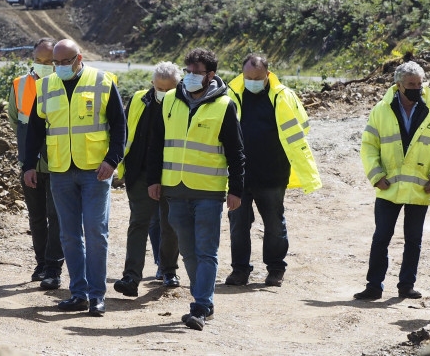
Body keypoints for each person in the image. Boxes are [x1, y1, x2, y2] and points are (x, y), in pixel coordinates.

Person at [23, 39, 125, 316]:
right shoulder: (45, 86)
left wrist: (112, 161)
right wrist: (29, 165)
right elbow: (35, 130)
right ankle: (78, 293)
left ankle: (96, 295)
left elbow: (119, 126)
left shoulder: (103, 81)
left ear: (79, 58)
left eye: (66, 62)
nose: (60, 67)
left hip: (95, 171)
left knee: (95, 232)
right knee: (69, 235)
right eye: (56, 62)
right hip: (60, 171)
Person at [146, 48, 245, 331]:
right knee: (188, 250)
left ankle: (200, 305)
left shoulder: (224, 105)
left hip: (209, 191)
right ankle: (205, 301)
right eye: (187, 71)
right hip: (175, 188)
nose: (189, 76)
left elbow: (236, 153)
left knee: (206, 250)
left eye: (196, 72)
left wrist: (236, 190)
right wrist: (154, 179)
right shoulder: (169, 102)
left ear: (210, 75)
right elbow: (157, 144)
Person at [354, 61, 430, 301]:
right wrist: (376, 176)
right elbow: (368, 146)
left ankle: (406, 285)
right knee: (381, 238)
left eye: (419, 84)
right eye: (411, 85)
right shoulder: (381, 109)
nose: (417, 88)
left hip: (420, 188)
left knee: (413, 241)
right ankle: (374, 286)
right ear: (398, 85)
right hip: (389, 188)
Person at [224, 54, 322, 288]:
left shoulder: (283, 96)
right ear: (242, 74)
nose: (252, 82)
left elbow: (303, 126)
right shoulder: (230, 95)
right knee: (238, 225)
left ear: (267, 75)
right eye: (248, 77)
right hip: (239, 175)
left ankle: (276, 269)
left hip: (273, 173)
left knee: (275, 224)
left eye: (257, 78)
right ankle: (240, 270)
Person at [114, 61, 181, 297]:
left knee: (170, 224)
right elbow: (123, 131)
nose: (163, 92)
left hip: (172, 173)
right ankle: (131, 277)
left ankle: (169, 270)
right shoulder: (138, 100)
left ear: (178, 85)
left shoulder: (184, 103)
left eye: (168, 88)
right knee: (139, 224)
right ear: (152, 83)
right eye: (159, 87)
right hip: (140, 173)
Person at [8, 38, 64, 290]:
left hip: (58, 163)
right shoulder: (19, 85)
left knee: (57, 216)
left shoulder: (63, 84)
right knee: (37, 217)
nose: (43, 66)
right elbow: (14, 119)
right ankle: (40, 263)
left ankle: (53, 266)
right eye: (39, 61)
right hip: (30, 163)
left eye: (49, 61)